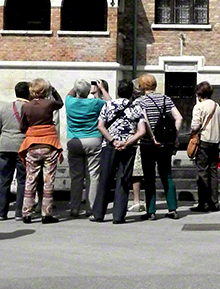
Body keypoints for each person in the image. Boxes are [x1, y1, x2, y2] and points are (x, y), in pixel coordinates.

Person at [93, 79, 146, 223]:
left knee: (105, 178)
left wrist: (112, 141)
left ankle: (98, 213)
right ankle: (118, 216)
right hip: (128, 147)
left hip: (109, 146)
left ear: (118, 91)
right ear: (131, 93)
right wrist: (126, 142)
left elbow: (100, 126)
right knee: (123, 180)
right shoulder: (136, 107)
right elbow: (142, 131)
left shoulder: (108, 105)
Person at [134, 74, 183, 220]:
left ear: (142, 86)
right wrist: (174, 136)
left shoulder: (140, 101)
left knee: (149, 176)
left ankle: (151, 211)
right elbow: (179, 118)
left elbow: (145, 120)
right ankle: (172, 208)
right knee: (166, 174)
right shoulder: (165, 99)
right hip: (166, 142)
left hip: (148, 143)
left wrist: (152, 137)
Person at [19, 79, 64, 224]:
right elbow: (60, 103)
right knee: (48, 180)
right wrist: (54, 91)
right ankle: (46, 213)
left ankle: (26, 213)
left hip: (32, 143)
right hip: (49, 143)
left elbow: (22, 126)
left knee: (30, 179)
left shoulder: (26, 106)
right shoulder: (49, 104)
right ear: (45, 91)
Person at [64, 78, 110, 218]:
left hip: (74, 140)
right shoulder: (95, 103)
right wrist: (102, 89)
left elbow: (69, 93)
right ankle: (91, 208)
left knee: (76, 176)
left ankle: (75, 208)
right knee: (93, 175)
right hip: (93, 139)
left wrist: (76, 86)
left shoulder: (69, 102)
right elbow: (111, 103)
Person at [0, 81, 30, 219]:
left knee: (4, 180)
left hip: (4, 146)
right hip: (22, 146)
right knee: (22, 180)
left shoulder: (6, 107)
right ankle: (19, 212)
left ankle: (1, 212)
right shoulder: (29, 108)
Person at [190, 81, 220, 212]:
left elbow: (195, 126)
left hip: (203, 141)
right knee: (213, 171)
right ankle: (214, 202)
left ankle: (203, 203)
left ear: (199, 94)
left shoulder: (199, 107)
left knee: (202, 171)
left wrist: (193, 132)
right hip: (216, 141)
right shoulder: (217, 106)